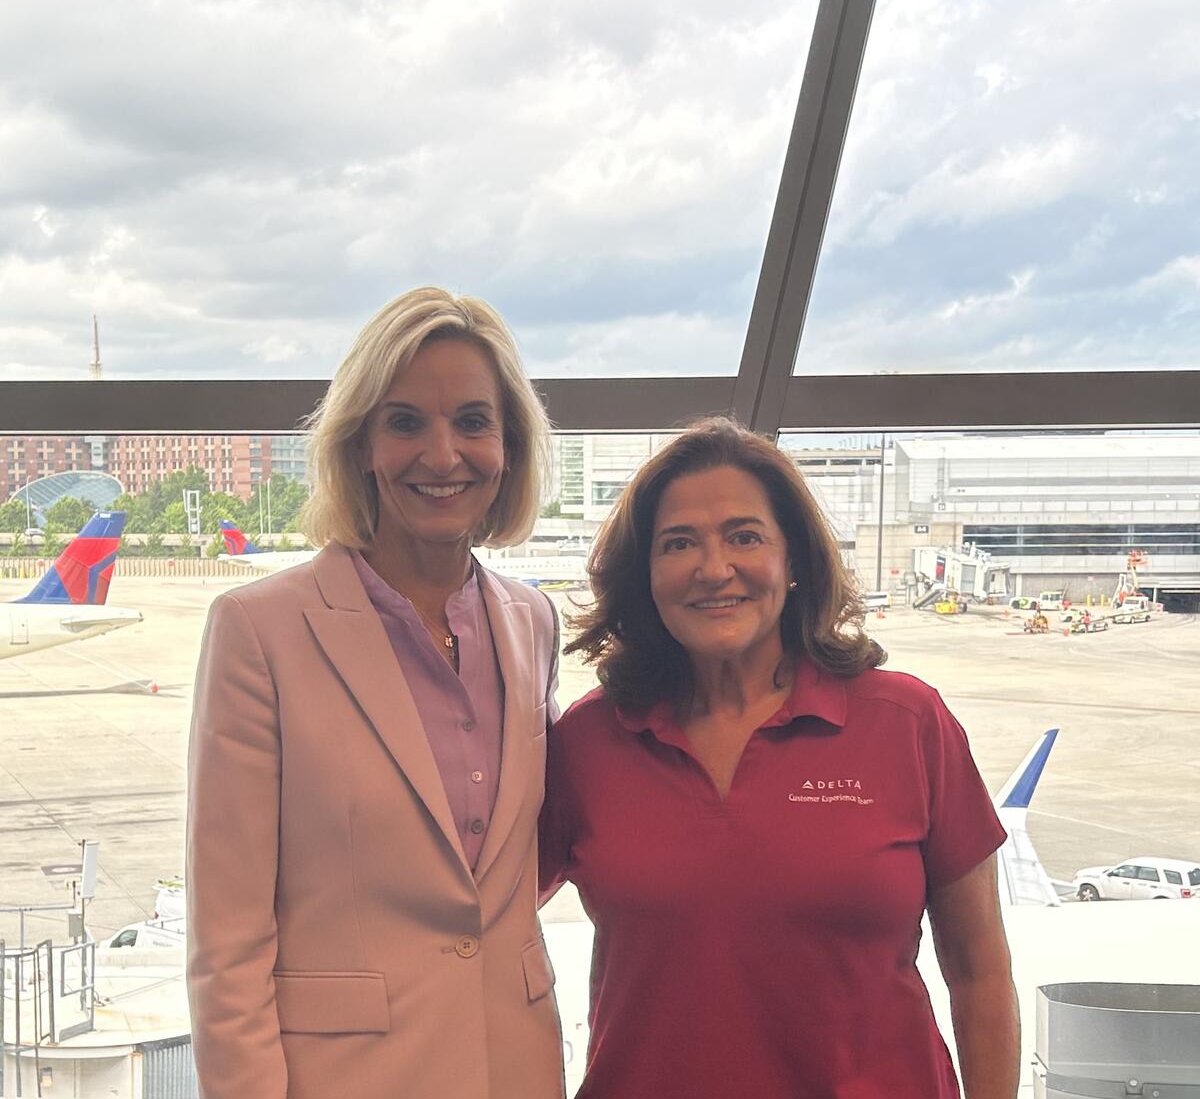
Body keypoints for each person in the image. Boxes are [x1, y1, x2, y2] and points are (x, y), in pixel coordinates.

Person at [541, 417, 1019, 1099]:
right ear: (645, 574)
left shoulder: (907, 724)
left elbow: (980, 970)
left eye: (744, 536)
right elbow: (480, 930)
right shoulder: (588, 744)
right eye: (679, 544)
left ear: (792, 560)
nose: (714, 569)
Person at [187, 287, 565, 1099]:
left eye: (472, 421)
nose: (442, 455)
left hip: (517, 1063)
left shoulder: (532, 622)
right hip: (345, 1077)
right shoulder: (262, 630)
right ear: (360, 446)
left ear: (509, 448)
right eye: (404, 422)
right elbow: (229, 937)